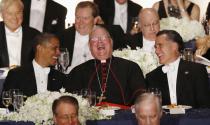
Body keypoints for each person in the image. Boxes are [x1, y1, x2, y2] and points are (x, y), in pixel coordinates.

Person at [66, 25, 145, 105]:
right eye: (94, 39)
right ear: (89, 46)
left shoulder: (130, 68)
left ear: (111, 42)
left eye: (104, 38)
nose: (100, 42)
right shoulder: (78, 72)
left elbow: (141, 95)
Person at [146, 30, 210, 108]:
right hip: (165, 120)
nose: (156, 51)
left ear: (174, 46)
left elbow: (205, 106)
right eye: (155, 47)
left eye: (160, 45)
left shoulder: (196, 70)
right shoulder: (152, 76)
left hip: (193, 119)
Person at [59, 1, 126, 73]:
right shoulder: (63, 36)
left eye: (85, 18)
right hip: (69, 78)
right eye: (77, 18)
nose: (80, 22)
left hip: (98, 78)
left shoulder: (112, 33)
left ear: (95, 20)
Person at [3, 33, 68, 97]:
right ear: (40, 48)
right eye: (54, 48)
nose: (59, 53)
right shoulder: (16, 75)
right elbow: (6, 103)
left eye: (58, 49)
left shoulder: (61, 78)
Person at [0, 0, 40, 68]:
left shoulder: (35, 35)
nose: (14, 18)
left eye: (18, 13)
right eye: (9, 13)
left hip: (27, 77)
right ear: (1, 14)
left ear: (22, 13)